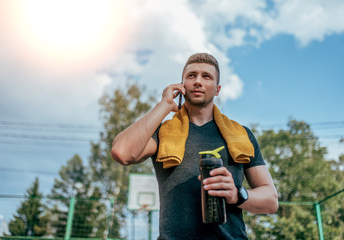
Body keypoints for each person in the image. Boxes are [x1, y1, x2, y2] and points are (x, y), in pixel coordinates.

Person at [111, 53, 278, 240]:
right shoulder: (163, 133)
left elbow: (271, 200)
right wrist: (164, 105)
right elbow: (122, 152)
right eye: (191, 76)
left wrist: (237, 194)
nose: (198, 81)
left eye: (206, 76)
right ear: (181, 85)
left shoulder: (241, 135)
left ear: (217, 89)